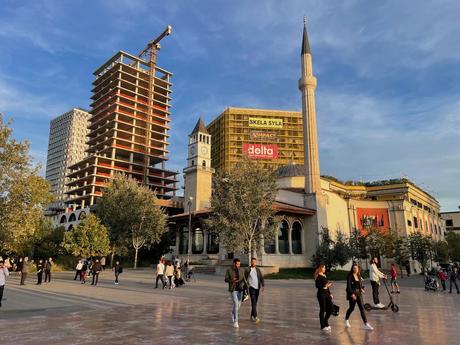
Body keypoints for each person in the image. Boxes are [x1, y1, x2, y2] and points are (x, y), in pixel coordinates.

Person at [345, 263, 374, 330]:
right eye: (354, 268)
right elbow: (348, 286)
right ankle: (346, 319)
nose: (355, 269)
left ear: (358, 269)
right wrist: (352, 294)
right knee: (351, 308)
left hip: (359, 294)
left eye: (356, 268)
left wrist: (361, 289)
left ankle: (366, 323)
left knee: (362, 308)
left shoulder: (358, 275)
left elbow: (359, 284)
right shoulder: (350, 276)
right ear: (352, 269)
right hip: (352, 294)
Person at [225, 258, 245, 328]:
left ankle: (233, 312)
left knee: (238, 305)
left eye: (239, 264)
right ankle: (236, 321)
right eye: (237, 264)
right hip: (233, 289)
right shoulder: (229, 270)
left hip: (240, 289)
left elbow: (244, 279)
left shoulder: (242, 270)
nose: (238, 265)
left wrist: (247, 287)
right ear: (234, 263)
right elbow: (226, 279)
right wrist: (231, 280)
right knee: (236, 304)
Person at [244, 257, 265, 324]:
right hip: (251, 288)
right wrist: (247, 284)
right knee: (253, 302)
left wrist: (263, 285)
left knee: (255, 302)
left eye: (255, 262)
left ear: (256, 262)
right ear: (251, 262)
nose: (254, 263)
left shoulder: (258, 269)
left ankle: (251, 315)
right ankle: (256, 317)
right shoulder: (248, 269)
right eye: (252, 262)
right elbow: (244, 277)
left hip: (257, 288)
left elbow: (261, 277)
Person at [314, 264, 333, 332]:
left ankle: (325, 320)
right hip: (321, 294)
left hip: (326, 293)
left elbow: (327, 286)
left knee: (331, 307)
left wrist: (330, 293)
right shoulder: (318, 276)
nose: (325, 268)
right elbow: (317, 286)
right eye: (324, 267)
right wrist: (325, 285)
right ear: (321, 268)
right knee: (322, 309)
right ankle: (322, 326)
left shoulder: (324, 275)